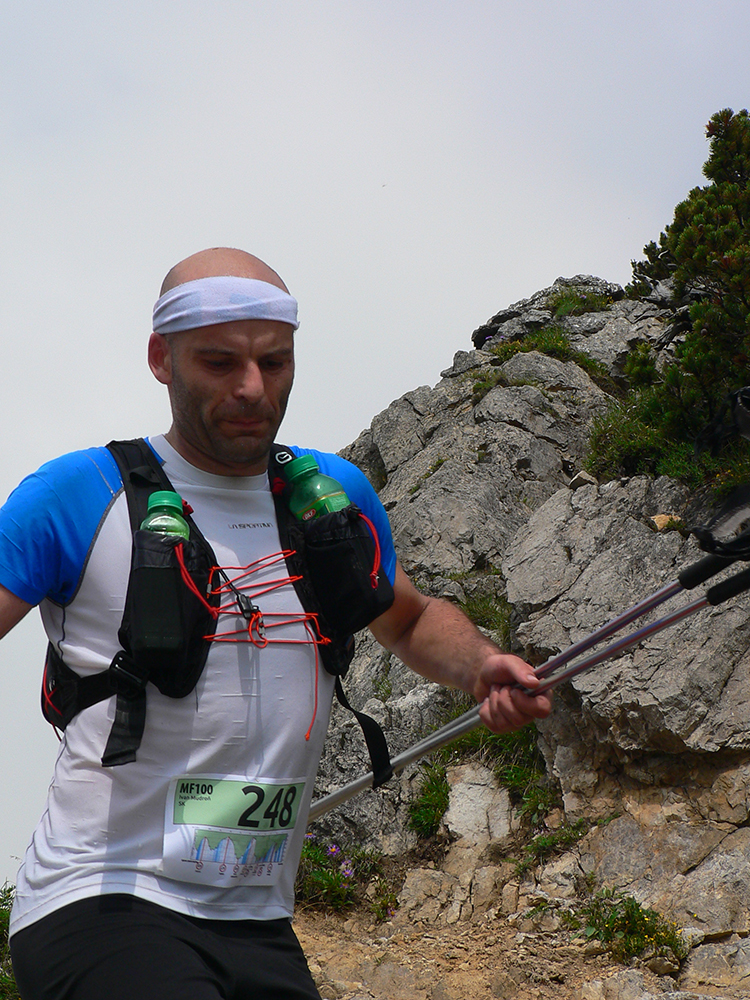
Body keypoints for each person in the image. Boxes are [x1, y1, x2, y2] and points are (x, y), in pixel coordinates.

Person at [1, 248, 551, 1000]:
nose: (252, 388)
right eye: (219, 362)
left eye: (274, 362)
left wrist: (481, 666)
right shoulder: (78, 494)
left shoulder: (327, 496)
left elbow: (410, 619)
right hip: (101, 899)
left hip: (258, 919)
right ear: (162, 358)